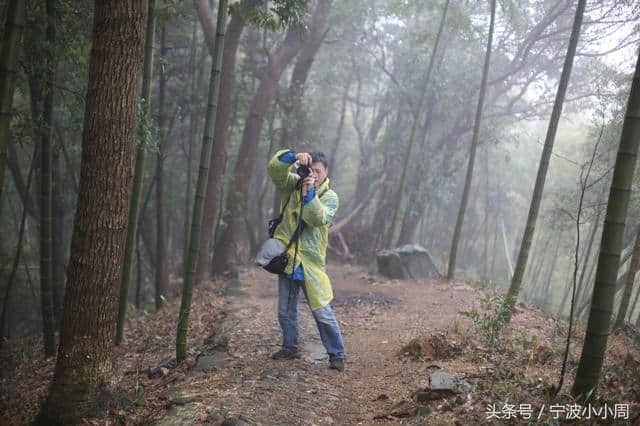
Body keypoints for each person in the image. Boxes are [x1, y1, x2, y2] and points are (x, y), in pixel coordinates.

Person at [267, 149, 347, 371]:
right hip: (288, 258)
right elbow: (275, 170)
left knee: (322, 311)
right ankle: (289, 347)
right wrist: (293, 156)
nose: (314, 174)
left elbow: (317, 217)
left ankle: (337, 354)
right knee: (285, 310)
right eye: (311, 170)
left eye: (318, 171)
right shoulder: (293, 184)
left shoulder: (330, 196)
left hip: (311, 264)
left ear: (326, 172)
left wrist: (309, 192)